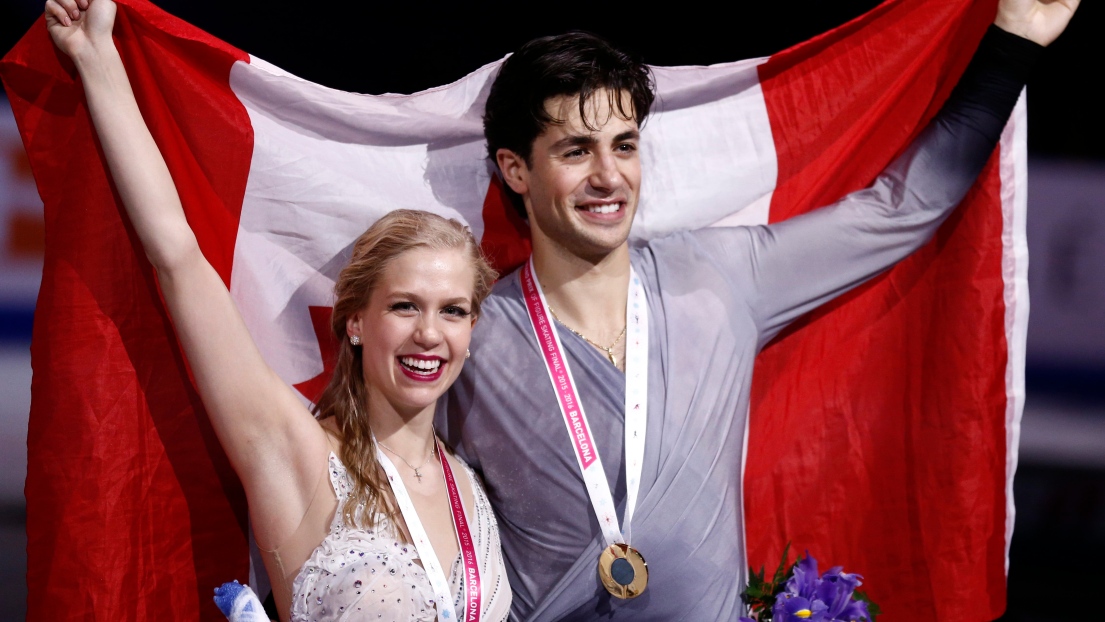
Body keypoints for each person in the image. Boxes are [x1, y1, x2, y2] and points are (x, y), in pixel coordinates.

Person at [438, 0, 1080, 620]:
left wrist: (1012, 44)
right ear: (515, 170)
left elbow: (900, 209)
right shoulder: (469, 336)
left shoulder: (719, 278)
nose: (609, 175)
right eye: (576, 151)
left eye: (625, 145)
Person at [43, 1, 512, 620]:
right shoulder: (294, 450)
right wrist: (95, 55)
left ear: (472, 329)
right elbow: (178, 257)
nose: (429, 333)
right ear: (354, 322)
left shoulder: (471, 491)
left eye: (453, 311)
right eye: (404, 306)